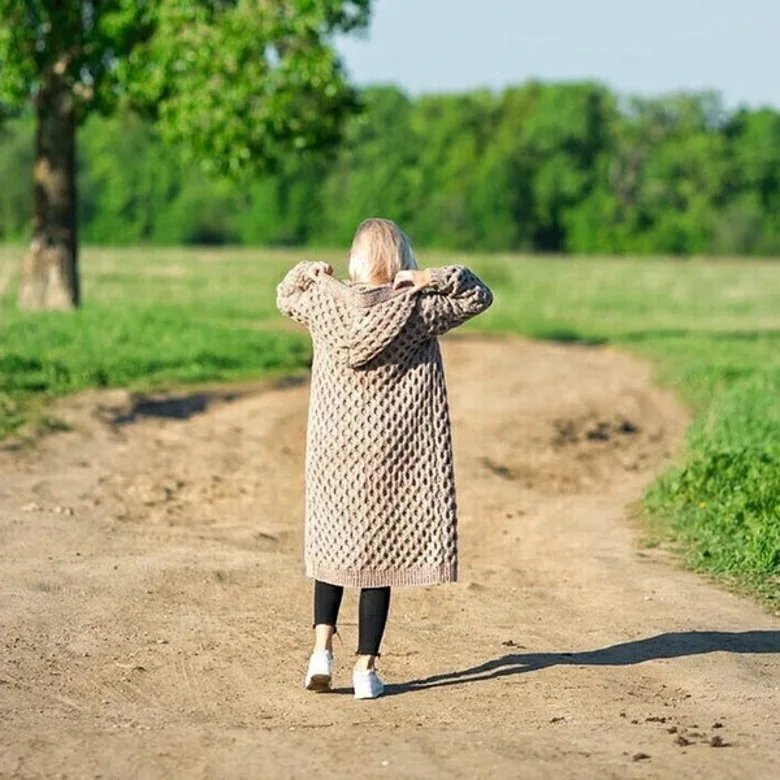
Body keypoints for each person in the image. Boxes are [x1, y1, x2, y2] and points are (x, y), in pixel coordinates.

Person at [276, 218, 493, 699]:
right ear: (400, 262)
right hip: (391, 460)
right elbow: (478, 295)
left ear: (354, 261)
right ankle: (365, 670)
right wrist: (429, 278)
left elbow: (284, 295)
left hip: (334, 455)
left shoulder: (322, 304)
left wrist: (308, 271)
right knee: (379, 559)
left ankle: (320, 652)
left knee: (333, 554)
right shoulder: (418, 310)